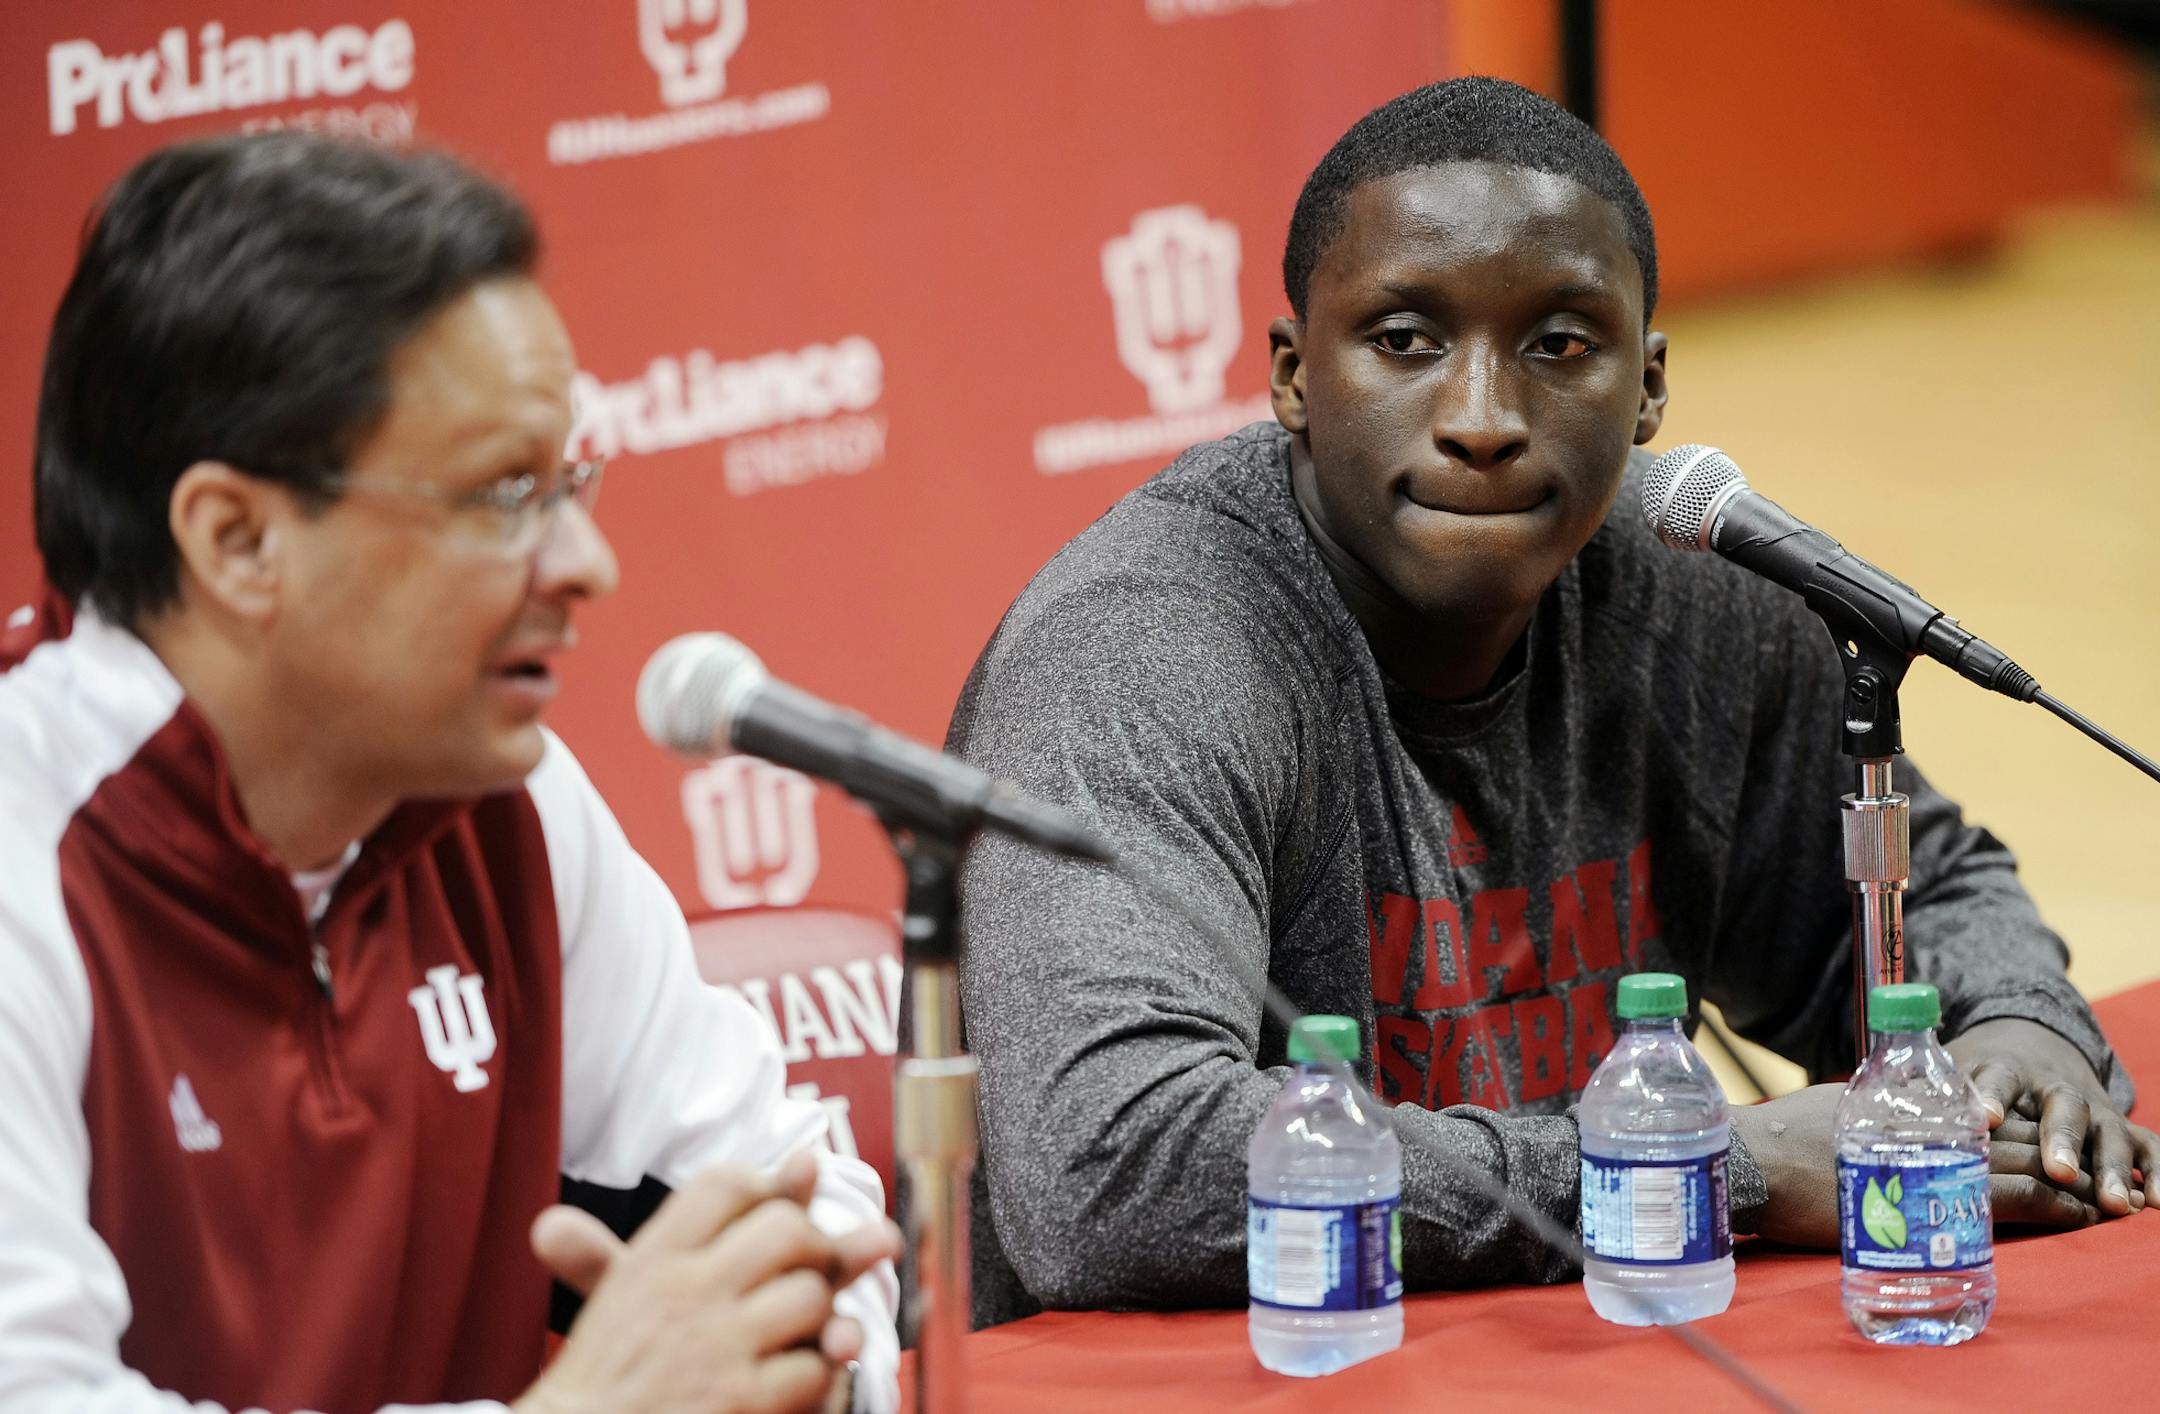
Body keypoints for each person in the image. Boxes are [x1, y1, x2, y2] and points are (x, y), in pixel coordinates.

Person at [947, 76, 2158, 1327]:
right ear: (1297, 375)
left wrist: (2022, 1036)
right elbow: (1112, 1166)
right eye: (1407, 340)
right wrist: (1715, 1168)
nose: (1483, 420)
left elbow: (1931, 892)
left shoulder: (1689, 604)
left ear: (1649, 389)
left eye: (1560, 346)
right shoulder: (1146, 656)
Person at [0, 133, 900, 1413]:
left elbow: (796, 1183)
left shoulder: (513, 804)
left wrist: (801, 1372)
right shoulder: (23, 862)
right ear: (238, 538)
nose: (588, 561)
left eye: (570, 481)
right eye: (503, 494)